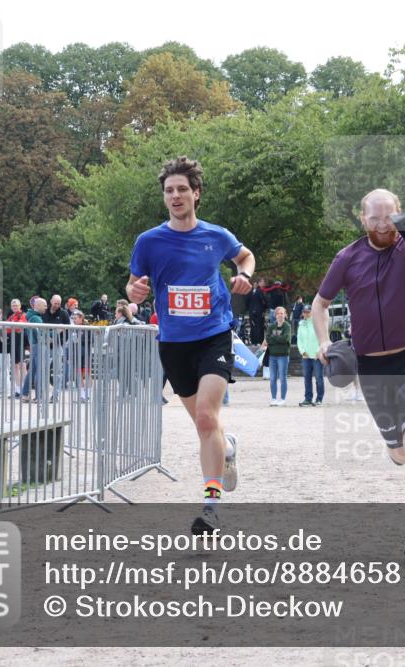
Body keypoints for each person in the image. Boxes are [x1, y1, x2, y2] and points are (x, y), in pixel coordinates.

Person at [311, 190, 405, 564]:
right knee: (399, 451)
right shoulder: (347, 257)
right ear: (362, 218)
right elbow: (319, 304)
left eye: (389, 216)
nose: (383, 224)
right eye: (375, 218)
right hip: (370, 367)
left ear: (399, 214)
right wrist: (324, 342)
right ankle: (395, 448)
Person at [127, 155, 255, 534]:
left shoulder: (216, 236)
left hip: (213, 335)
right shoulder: (149, 241)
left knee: (205, 416)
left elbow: (244, 256)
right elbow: (134, 283)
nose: (176, 196)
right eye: (169, 191)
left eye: (183, 189)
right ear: (164, 198)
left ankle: (211, 505)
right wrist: (134, 289)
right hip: (173, 343)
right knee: (207, 427)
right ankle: (226, 448)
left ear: (196, 194)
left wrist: (244, 274)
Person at [262, 305, 291, 406]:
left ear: (285, 315)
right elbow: (268, 339)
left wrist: (274, 338)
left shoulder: (287, 326)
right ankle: (273, 398)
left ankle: (282, 399)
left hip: (283, 356)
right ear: (275, 315)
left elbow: (286, 339)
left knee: (283, 377)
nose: (280, 315)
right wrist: (277, 338)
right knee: (273, 378)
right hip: (272, 356)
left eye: (282, 313)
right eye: (278, 313)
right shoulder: (271, 326)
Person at [296, 306, 324, 406]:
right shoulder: (301, 324)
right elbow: (299, 340)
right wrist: (302, 351)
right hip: (306, 356)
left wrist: (318, 351)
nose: (306, 314)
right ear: (302, 313)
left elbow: (322, 338)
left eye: (308, 312)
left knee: (318, 378)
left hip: (316, 356)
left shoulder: (317, 323)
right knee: (307, 379)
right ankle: (308, 398)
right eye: (304, 312)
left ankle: (319, 399)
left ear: (311, 312)